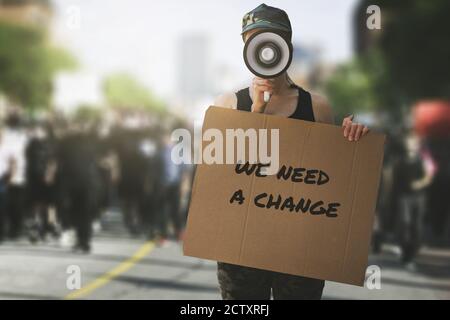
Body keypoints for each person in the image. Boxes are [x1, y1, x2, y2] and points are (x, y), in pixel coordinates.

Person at [214, 4, 369, 300]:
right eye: (255, 43)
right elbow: (218, 177)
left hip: (300, 250)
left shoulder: (317, 106)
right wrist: (256, 113)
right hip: (242, 249)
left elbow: (331, 181)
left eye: (271, 41)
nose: (265, 51)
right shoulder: (228, 104)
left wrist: (352, 144)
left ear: (288, 47)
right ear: (247, 49)